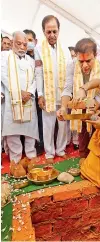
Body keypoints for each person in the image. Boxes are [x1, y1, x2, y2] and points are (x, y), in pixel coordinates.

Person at [57, 38, 100, 161]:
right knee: (83, 132)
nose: (84, 65)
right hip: (79, 104)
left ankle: (96, 161)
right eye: (81, 61)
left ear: (95, 55)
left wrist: (92, 109)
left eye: (88, 61)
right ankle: (83, 158)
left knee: (98, 134)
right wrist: (63, 108)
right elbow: (68, 88)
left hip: (98, 103)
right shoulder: (72, 64)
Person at [1, 31, 39, 177]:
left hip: (28, 100)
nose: (22, 47)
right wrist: (18, 92)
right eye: (19, 43)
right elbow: (3, 75)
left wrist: (29, 92)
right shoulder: (4, 56)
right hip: (13, 99)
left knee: (30, 132)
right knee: (13, 133)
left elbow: (35, 78)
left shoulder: (30, 59)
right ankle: (16, 164)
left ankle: (31, 159)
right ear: (12, 43)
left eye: (24, 44)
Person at [34, 15, 70, 163]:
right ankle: (49, 152)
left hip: (62, 95)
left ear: (59, 30)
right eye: (48, 32)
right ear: (43, 32)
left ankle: (60, 150)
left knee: (62, 124)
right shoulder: (38, 49)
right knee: (48, 125)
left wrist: (68, 94)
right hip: (47, 95)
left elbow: (68, 73)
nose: (52, 35)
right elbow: (38, 73)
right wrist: (40, 94)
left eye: (54, 31)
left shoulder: (65, 49)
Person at [23, 29, 44, 156]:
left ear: (35, 41)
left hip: (40, 94)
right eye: (25, 40)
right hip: (26, 95)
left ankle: (40, 145)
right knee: (27, 121)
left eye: (30, 40)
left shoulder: (41, 54)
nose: (28, 43)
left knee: (41, 121)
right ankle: (27, 149)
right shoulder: (20, 57)